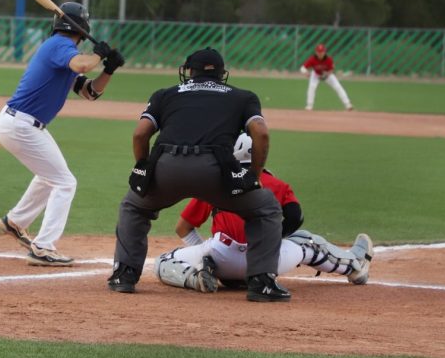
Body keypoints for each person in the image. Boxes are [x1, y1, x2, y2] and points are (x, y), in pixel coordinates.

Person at [107, 47, 289, 302]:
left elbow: (140, 134)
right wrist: (254, 175)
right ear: (222, 74)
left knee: (132, 207)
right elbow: (261, 133)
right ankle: (262, 282)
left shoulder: (165, 94)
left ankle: (123, 275)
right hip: (215, 172)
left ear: (188, 72)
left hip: (167, 168)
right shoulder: (242, 96)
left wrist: (143, 167)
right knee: (266, 208)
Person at [157, 133, 372, 293]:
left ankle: (196, 278)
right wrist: (271, 241)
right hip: (268, 261)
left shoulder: (214, 182)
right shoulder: (277, 184)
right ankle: (354, 266)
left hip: (222, 257)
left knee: (163, 261)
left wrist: (206, 258)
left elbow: (182, 227)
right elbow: (295, 217)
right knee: (306, 242)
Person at [0, 2, 125, 267]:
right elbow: (81, 65)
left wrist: (108, 70)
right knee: (65, 182)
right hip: (21, 125)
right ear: (82, 26)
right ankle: (43, 247)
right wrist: (98, 55)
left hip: (22, 125)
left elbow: (90, 92)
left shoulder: (64, 52)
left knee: (51, 177)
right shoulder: (60, 45)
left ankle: (16, 221)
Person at [301, 43, 354, 111]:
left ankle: (348, 104)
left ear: (325, 52)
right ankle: (309, 106)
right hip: (316, 74)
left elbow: (331, 70)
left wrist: (327, 74)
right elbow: (302, 68)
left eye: (322, 52)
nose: (320, 53)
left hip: (327, 74)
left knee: (338, 87)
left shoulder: (329, 59)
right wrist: (305, 73)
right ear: (316, 52)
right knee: (312, 87)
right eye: (318, 52)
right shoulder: (312, 59)